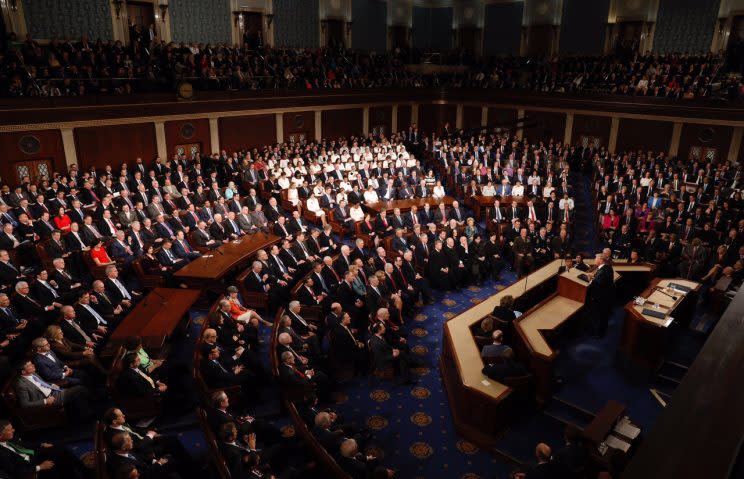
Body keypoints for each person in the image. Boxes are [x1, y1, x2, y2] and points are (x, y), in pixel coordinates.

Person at [0, 419, 88, 479]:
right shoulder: (2, 454)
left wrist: (41, 444)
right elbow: (16, 471)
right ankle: (84, 473)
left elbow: (25, 445)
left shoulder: (9, 438)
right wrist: (40, 467)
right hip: (29, 466)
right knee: (61, 458)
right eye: (10, 430)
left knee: (61, 450)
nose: (13, 430)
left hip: (33, 455)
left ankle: (83, 471)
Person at [586, 253, 614, 338]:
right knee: (602, 316)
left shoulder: (604, 270)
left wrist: (590, 279)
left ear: (601, 260)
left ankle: (598, 334)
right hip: (604, 297)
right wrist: (594, 275)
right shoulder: (606, 268)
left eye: (596, 258)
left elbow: (598, 284)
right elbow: (601, 279)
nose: (594, 259)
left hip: (600, 298)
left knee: (599, 316)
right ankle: (601, 331)